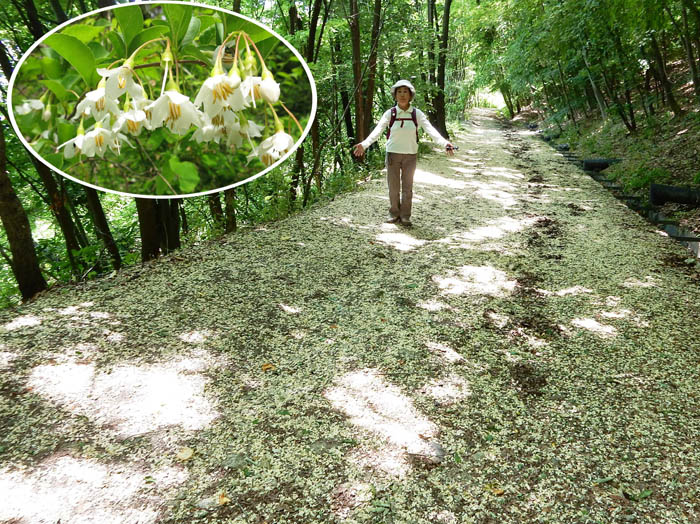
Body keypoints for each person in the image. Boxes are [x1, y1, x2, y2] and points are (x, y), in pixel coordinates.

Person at [353, 79, 454, 226]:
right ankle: (394, 214)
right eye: (399, 92)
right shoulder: (390, 113)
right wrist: (364, 144)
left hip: (410, 155)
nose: (402, 95)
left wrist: (445, 143)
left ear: (410, 95)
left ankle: (405, 216)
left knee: (408, 187)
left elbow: (430, 130)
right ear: (395, 95)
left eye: (405, 92)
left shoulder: (416, 114)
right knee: (393, 187)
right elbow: (378, 130)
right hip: (392, 154)